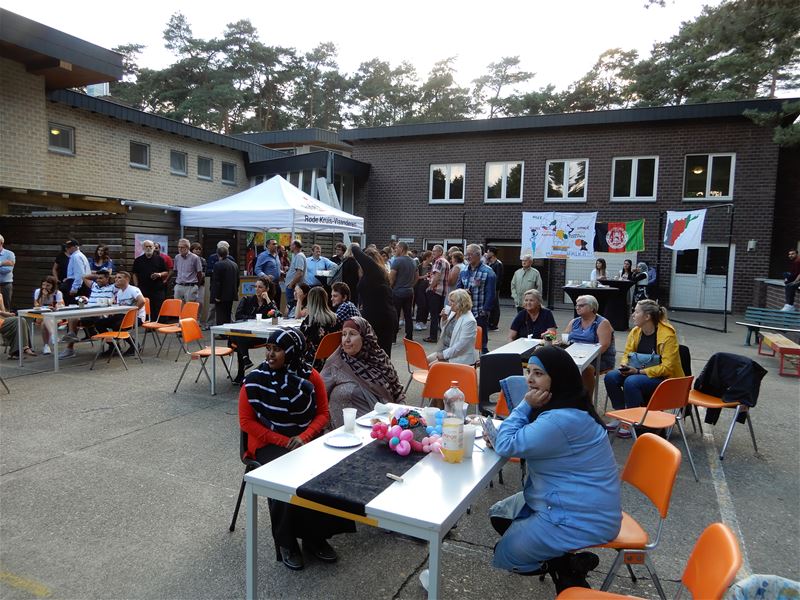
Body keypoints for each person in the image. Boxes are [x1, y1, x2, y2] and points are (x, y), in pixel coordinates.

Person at [488, 346, 621, 591]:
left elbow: (506, 444)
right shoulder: (571, 404)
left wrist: (524, 405)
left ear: (557, 378)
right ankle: (568, 563)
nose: (529, 379)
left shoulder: (560, 419)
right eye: (528, 372)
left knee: (505, 555)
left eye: (538, 373)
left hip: (581, 517)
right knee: (498, 514)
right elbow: (521, 440)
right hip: (575, 502)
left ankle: (563, 567)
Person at [238, 327, 354, 570]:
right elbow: (246, 422)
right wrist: (284, 441)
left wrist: (304, 436)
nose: (270, 355)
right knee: (285, 477)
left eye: (277, 349)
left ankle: (315, 537)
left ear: (292, 352)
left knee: (325, 473)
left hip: (303, 439)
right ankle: (287, 542)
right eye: (268, 349)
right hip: (267, 443)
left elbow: (322, 414)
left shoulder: (310, 377)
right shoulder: (255, 380)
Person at [604, 299, 684, 438]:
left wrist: (639, 371)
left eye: (636, 312)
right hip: (637, 372)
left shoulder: (667, 335)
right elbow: (627, 354)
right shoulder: (636, 331)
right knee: (611, 377)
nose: (633, 314)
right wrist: (625, 365)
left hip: (664, 379)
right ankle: (622, 415)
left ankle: (634, 422)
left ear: (647, 317)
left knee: (632, 382)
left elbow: (667, 367)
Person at [322, 316, 405, 427]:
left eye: (352, 334)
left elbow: (397, 391)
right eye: (344, 334)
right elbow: (319, 395)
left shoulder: (379, 359)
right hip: (346, 431)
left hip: (384, 424)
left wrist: (400, 416)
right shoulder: (336, 363)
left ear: (365, 338)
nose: (346, 340)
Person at [565, 294, 616, 398]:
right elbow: (565, 338)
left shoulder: (602, 323)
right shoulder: (574, 322)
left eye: (581, 305)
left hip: (599, 358)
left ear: (592, 307)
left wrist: (584, 356)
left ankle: (587, 402)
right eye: (577, 305)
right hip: (575, 356)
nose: (578, 307)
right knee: (556, 364)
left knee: (586, 368)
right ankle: (565, 398)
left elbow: (603, 346)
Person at [230, 276, 279, 384]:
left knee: (240, 338)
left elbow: (277, 315)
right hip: (244, 334)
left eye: (260, 287)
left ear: (266, 289)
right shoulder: (247, 299)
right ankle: (245, 362)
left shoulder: (269, 303)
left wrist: (268, 300)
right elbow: (238, 316)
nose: (257, 289)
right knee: (240, 336)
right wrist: (254, 319)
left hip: (259, 336)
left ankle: (242, 371)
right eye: (255, 286)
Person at [351, 245, 395, 356]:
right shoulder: (376, 273)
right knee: (378, 352)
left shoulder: (374, 270)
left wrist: (353, 245)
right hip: (378, 314)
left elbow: (356, 251)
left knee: (380, 352)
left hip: (381, 317)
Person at [457, 244, 495, 354]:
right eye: (466, 255)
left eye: (470, 254)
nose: (467, 257)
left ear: (478, 255)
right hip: (465, 311)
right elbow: (458, 289)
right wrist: (464, 292)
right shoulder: (463, 270)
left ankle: (483, 358)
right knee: (465, 337)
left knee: (481, 340)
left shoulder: (488, 272)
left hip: (479, 312)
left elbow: (491, 294)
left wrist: (485, 311)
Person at [426, 289, 478, 366]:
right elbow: (445, 330)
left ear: (461, 303)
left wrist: (443, 355)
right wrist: (444, 318)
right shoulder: (454, 312)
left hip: (460, 356)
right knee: (426, 360)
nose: (449, 303)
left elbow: (461, 346)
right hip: (446, 349)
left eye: (452, 301)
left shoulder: (469, 321)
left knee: (433, 366)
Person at [300, 286, 338, 367]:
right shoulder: (335, 318)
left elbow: (301, 342)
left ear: (310, 301)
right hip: (332, 359)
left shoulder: (310, 322)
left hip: (314, 361)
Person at [132, 240, 168, 319]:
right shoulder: (138, 260)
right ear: (143, 248)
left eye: (150, 246)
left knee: (157, 307)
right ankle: (147, 325)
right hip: (143, 288)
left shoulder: (160, 259)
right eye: (146, 246)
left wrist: (159, 274)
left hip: (157, 289)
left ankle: (157, 325)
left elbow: (166, 272)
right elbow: (134, 274)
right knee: (146, 308)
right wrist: (136, 286)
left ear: (154, 247)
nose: (148, 248)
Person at [390, 242, 417, 343]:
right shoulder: (413, 261)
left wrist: (389, 288)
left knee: (395, 315)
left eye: (396, 248)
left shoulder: (397, 261)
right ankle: (409, 336)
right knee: (408, 315)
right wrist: (410, 285)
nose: (395, 250)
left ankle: (393, 338)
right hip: (409, 292)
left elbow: (391, 278)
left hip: (397, 292)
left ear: (401, 248)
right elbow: (416, 277)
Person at [424, 245, 450, 343]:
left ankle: (433, 337)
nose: (433, 253)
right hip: (442, 292)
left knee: (434, 315)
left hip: (435, 291)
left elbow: (437, 276)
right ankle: (440, 336)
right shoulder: (446, 261)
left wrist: (430, 287)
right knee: (439, 315)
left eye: (434, 251)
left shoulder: (439, 261)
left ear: (440, 252)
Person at [33, 275, 65, 355]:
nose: (45, 287)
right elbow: (36, 305)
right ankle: (53, 336)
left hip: (54, 315)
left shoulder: (57, 293)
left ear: (53, 286)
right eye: (43, 285)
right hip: (40, 315)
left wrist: (56, 306)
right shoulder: (38, 292)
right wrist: (43, 297)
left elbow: (60, 305)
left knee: (45, 323)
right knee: (45, 318)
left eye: (48, 285)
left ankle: (46, 346)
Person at [211, 246, 239, 325]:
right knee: (227, 314)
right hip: (231, 294)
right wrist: (235, 292)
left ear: (218, 254)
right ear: (228, 253)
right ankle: (227, 333)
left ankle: (221, 334)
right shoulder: (235, 265)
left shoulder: (218, 265)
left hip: (221, 296)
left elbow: (217, 282)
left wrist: (217, 296)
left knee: (220, 315)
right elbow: (237, 281)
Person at [172, 239, 204, 304]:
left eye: (182, 247)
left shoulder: (195, 258)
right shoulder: (177, 257)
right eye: (179, 247)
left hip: (190, 286)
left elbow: (199, 273)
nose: (180, 249)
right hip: (179, 285)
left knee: (189, 310)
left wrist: (197, 286)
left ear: (187, 248)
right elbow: (175, 271)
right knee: (177, 308)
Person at [254, 238, 282, 309]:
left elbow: (275, 268)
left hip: (277, 284)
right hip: (268, 286)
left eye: (276, 244)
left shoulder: (277, 255)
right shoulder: (263, 256)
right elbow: (257, 269)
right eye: (274, 244)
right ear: (268, 246)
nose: (276, 246)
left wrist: (281, 272)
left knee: (277, 306)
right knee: (269, 307)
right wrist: (265, 276)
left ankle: (276, 319)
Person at [61, 239, 91, 304]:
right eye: (66, 247)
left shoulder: (76, 257)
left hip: (78, 287)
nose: (67, 249)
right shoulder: (79, 256)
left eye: (69, 247)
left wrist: (74, 288)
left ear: (75, 247)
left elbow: (80, 274)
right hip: (78, 284)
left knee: (74, 306)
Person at [413, 250, 432, 332]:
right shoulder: (419, 266)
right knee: (421, 304)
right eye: (431, 256)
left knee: (427, 305)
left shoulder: (431, 266)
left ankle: (423, 322)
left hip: (428, 287)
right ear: (427, 257)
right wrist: (425, 276)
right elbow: (416, 277)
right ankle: (418, 322)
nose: (433, 258)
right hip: (420, 287)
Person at [284, 240, 307, 311]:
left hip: (294, 288)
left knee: (292, 308)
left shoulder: (299, 256)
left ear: (294, 246)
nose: (289, 247)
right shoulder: (297, 256)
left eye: (291, 245)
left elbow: (299, 274)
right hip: (294, 287)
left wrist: (291, 285)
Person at [486, 246, 504, 331]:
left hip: (494, 289)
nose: (487, 253)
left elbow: (499, 278)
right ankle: (490, 322)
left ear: (492, 253)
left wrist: (495, 288)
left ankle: (494, 324)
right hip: (489, 288)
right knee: (491, 305)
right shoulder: (489, 263)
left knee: (495, 306)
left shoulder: (498, 264)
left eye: (488, 252)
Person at [190, 243, 207, 324]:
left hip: (200, 284)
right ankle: (191, 319)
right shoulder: (188, 259)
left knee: (200, 302)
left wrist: (202, 275)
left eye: (199, 249)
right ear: (192, 250)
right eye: (196, 249)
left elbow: (204, 273)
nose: (198, 251)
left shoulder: (203, 260)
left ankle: (198, 319)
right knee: (191, 302)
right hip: (191, 284)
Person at [0, 234, 16, 308]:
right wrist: (2, 263)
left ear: (1, 243)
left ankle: (6, 319)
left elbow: (7, 270)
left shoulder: (9, 254)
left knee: (6, 305)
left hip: (5, 284)